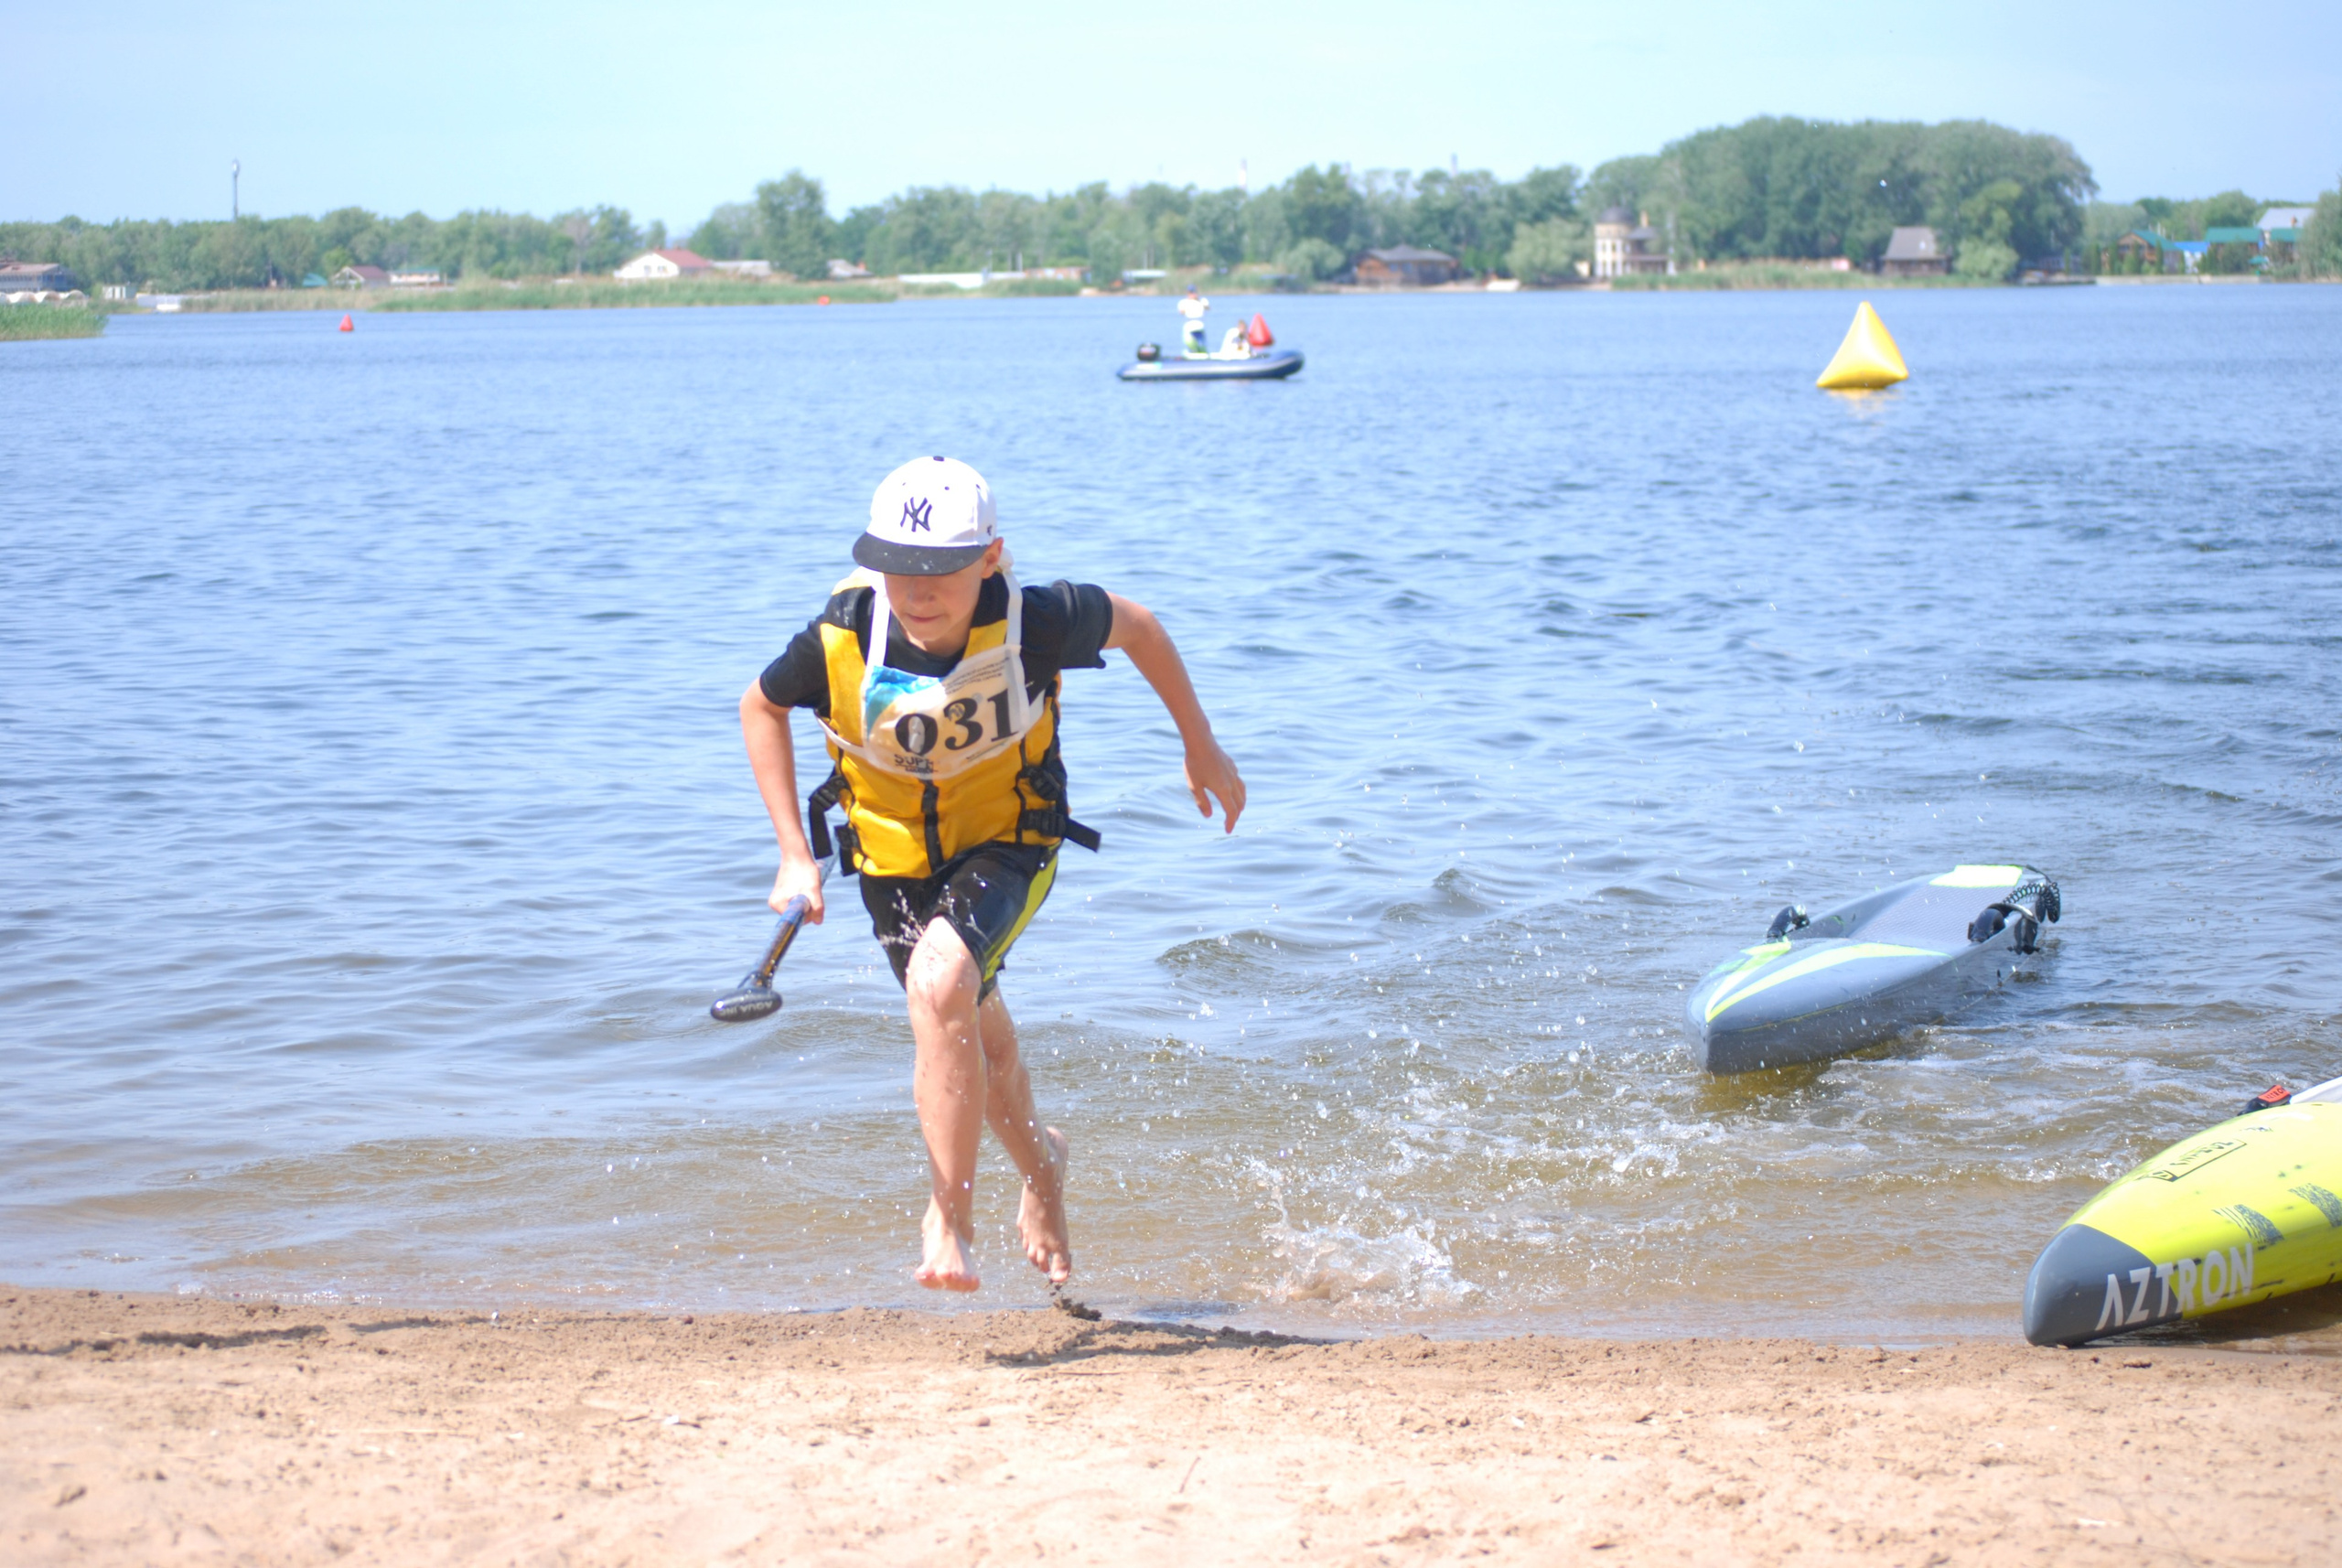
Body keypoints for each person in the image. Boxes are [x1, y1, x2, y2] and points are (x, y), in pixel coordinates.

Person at [738, 456, 1246, 1293]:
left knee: (941, 989)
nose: (917, 589)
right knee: (969, 1020)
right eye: (898, 566)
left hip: (1011, 840)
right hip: (891, 858)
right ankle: (1043, 1171)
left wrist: (1199, 743)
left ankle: (950, 1212)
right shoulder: (838, 637)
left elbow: (1143, 628)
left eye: (941, 568)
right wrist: (795, 850)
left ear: (990, 558)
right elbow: (761, 705)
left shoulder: (1037, 620)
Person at [1177, 285, 1209, 355]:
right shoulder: (1184, 302)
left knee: (1201, 344)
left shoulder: (1202, 301)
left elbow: (1208, 307)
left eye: (1194, 292)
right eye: (1191, 292)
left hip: (1199, 325)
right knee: (1189, 342)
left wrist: (1197, 300)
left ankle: (1202, 353)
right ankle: (1193, 352)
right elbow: (1181, 311)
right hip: (1189, 325)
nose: (1193, 294)